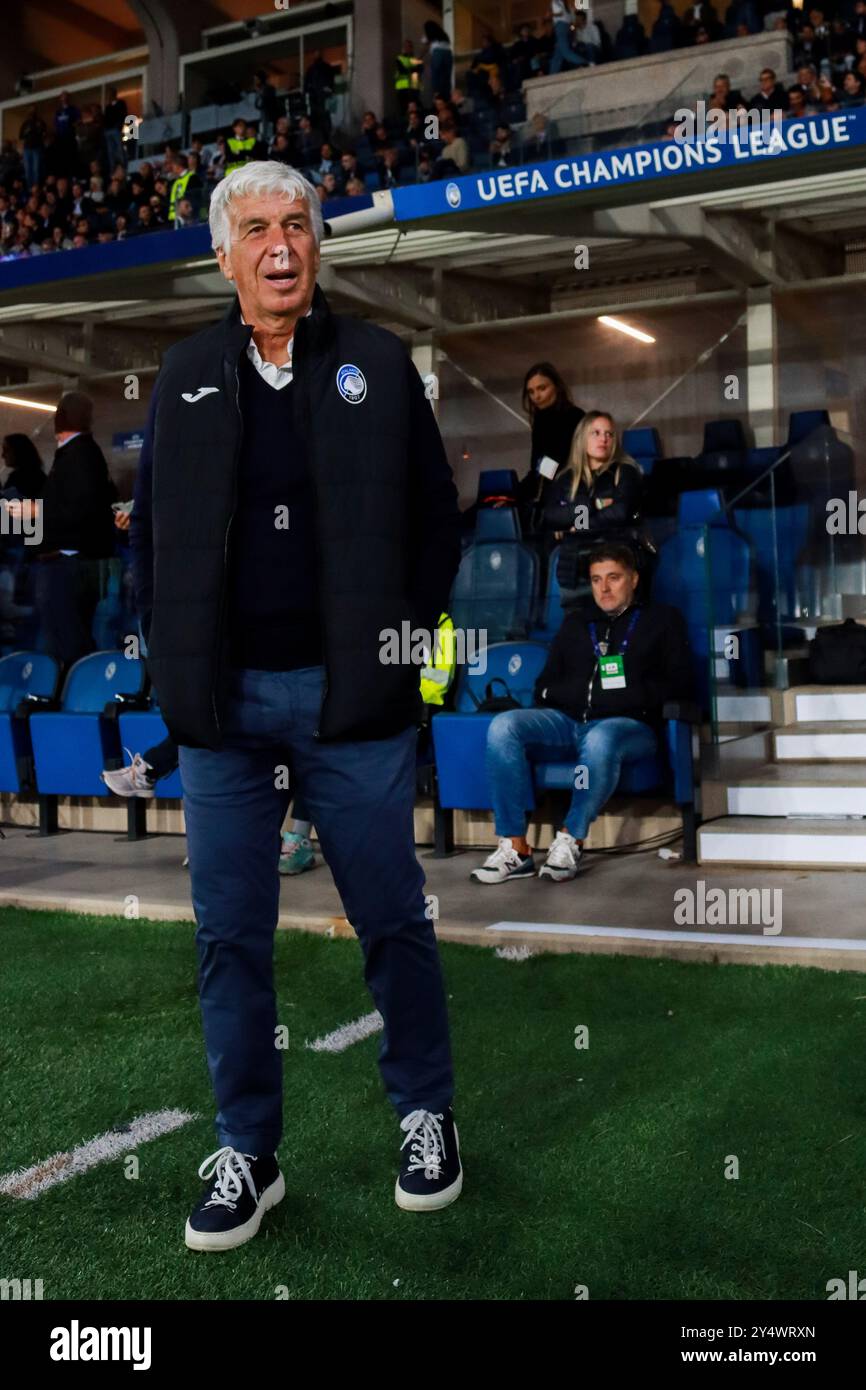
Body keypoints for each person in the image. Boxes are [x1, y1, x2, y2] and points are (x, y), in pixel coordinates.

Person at [129, 161, 464, 1251]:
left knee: (391, 922)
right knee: (231, 938)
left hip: (347, 703)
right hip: (222, 714)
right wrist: (176, 671)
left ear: (316, 245)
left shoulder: (375, 361)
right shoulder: (182, 375)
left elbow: (433, 521)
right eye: (258, 230)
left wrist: (393, 655)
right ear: (223, 256)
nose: (282, 246)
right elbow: (151, 546)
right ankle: (249, 1150)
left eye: (298, 227)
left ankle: (424, 1117)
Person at [470, 544, 693, 884]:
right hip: (569, 721)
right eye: (596, 579)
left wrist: (626, 696)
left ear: (633, 579)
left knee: (602, 738)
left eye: (613, 578)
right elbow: (544, 685)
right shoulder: (577, 623)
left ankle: (570, 838)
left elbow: (679, 683)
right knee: (504, 726)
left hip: (629, 726)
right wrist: (578, 694)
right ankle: (516, 848)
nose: (603, 588)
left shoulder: (662, 620)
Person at [26, 392, 117, 668]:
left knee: (66, 642)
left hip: (67, 563)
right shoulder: (80, 454)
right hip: (70, 562)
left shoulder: (79, 455)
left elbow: (81, 510)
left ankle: (69, 698)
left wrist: (36, 511)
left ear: (59, 417)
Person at [544, 411, 643, 606]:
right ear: (582, 438)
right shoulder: (566, 478)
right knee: (578, 629)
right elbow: (552, 516)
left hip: (614, 562)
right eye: (596, 433)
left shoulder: (625, 471)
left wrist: (576, 524)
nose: (603, 439)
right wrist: (596, 504)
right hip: (573, 568)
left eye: (609, 434)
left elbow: (620, 512)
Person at [516, 362, 584, 537]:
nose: (536, 396)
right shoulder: (539, 421)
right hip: (546, 485)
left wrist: (538, 479)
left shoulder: (575, 416)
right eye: (531, 392)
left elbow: (559, 459)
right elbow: (538, 464)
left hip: (572, 488)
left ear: (556, 387)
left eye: (542, 388)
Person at [423, 21, 453, 99]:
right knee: (446, 79)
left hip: (437, 53)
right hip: (448, 54)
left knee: (436, 79)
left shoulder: (430, 36)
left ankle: (438, 98)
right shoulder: (444, 35)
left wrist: (421, 59)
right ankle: (447, 99)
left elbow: (426, 48)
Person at [394, 39, 425, 111]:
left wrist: (413, 66)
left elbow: (420, 68)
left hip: (414, 89)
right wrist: (414, 64)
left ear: (412, 48)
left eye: (410, 46)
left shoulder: (415, 59)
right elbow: (404, 68)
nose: (408, 48)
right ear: (403, 48)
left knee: (415, 110)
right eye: (406, 46)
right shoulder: (400, 58)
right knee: (403, 110)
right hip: (403, 89)